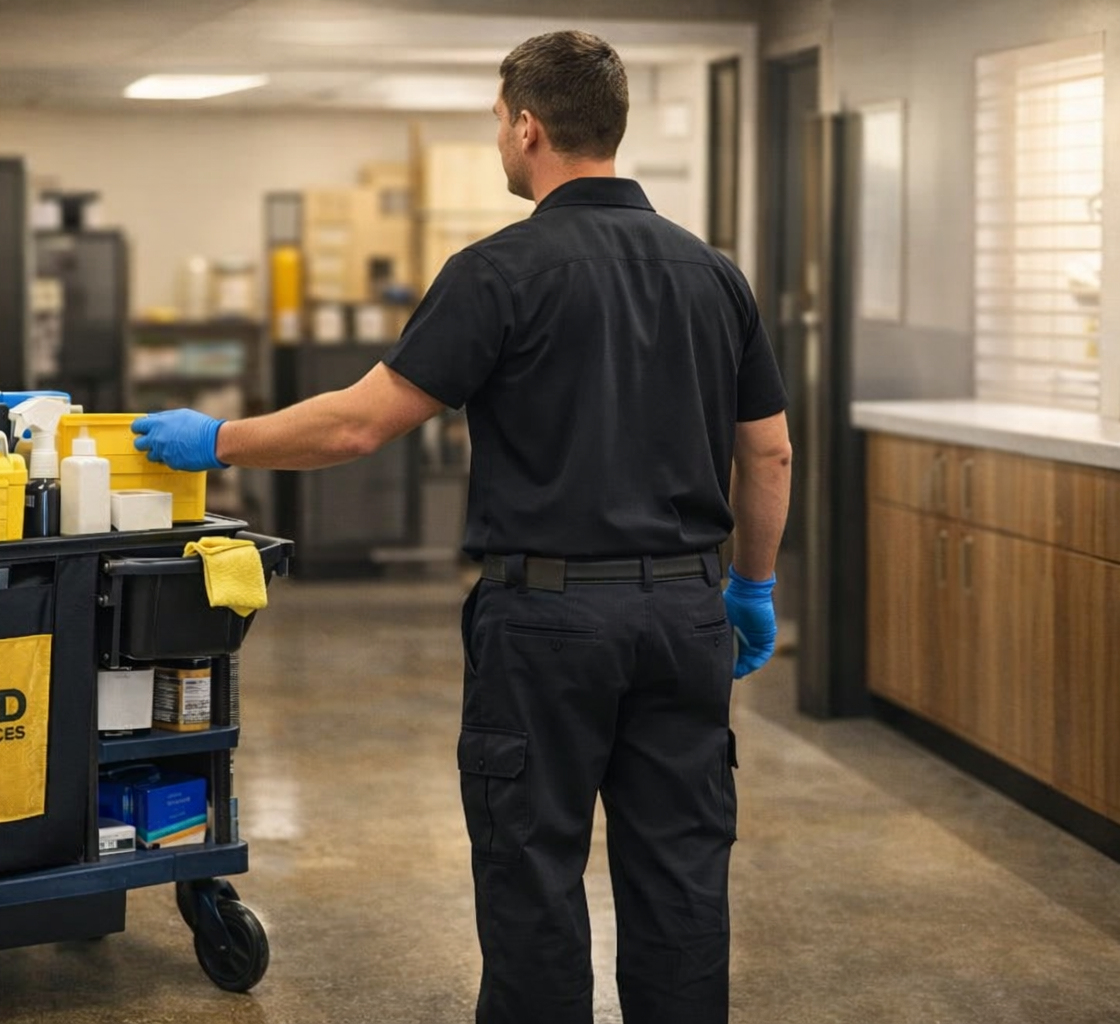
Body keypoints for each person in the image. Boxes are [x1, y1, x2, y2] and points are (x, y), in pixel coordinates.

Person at [132, 29, 792, 1024]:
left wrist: (218, 436)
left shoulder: (499, 270)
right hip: (688, 617)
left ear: (528, 128)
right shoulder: (715, 275)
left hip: (550, 627)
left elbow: (359, 424)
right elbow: (770, 452)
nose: (498, 138)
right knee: (683, 880)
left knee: (533, 878)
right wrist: (751, 585)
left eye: (498, 122)